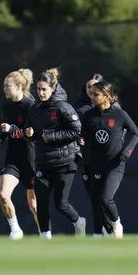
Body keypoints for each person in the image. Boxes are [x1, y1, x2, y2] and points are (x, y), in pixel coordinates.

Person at [24, 68, 86, 239]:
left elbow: (76, 131)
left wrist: (51, 136)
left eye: (44, 89)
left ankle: (78, 222)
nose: (41, 93)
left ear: (53, 89)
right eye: (38, 89)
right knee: (41, 201)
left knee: (60, 204)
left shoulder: (63, 107)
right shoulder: (35, 109)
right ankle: (45, 237)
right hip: (43, 162)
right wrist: (30, 134)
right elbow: (35, 133)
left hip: (65, 162)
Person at [80, 80, 138, 238]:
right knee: (96, 200)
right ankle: (103, 233)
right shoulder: (88, 115)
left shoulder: (119, 114)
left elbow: (136, 133)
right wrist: (81, 142)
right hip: (96, 164)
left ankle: (116, 224)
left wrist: (127, 152)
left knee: (105, 197)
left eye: (96, 94)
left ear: (106, 96)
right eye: (91, 93)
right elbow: (83, 137)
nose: (92, 97)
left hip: (115, 164)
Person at [0, 68, 38, 239]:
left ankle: (45, 235)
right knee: (3, 195)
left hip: (30, 160)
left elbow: (28, 135)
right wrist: (0, 138)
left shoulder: (30, 106)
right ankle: (16, 230)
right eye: (4, 86)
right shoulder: (7, 106)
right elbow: (7, 130)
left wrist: (11, 129)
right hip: (12, 159)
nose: (4, 89)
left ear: (19, 86)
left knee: (33, 205)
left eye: (7, 86)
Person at [73, 73, 112, 237]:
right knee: (93, 195)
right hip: (85, 159)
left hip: (105, 161)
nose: (91, 90)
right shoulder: (79, 107)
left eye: (95, 87)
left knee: (104, 196)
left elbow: (119, 130)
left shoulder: (112, 109)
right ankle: (103, 227)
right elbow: (74, 131)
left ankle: (111, 226)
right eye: (89, 87)